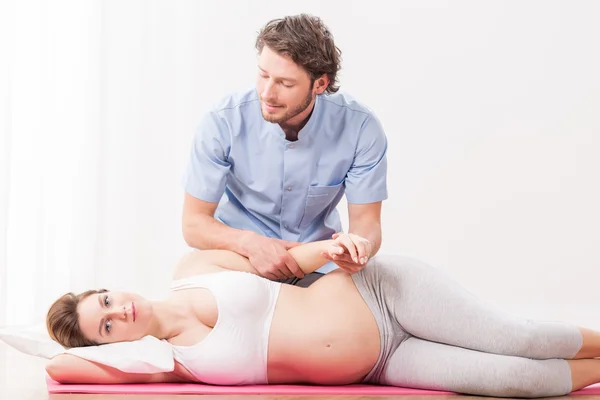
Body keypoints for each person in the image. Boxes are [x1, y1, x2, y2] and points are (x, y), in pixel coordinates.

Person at [46, 234, 600, 398]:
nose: (121, 310)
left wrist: (332, 249)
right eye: (109, 325)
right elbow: (65, 370)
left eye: (106, 300)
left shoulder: (192, 267)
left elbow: (285, 263)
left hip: (379, 292)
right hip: (384, 362)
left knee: (515, 337)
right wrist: (91, 348)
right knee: (518, 380)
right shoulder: (171, 365)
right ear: (111, 345)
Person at [180, 14, 388, 286]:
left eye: (285, 83)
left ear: (320, 84)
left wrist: (360, 247)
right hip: (236, 262)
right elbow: (193, 224)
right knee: (187, 272)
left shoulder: (361, 128)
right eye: (263, 75)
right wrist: (251, 244)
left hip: (317, 267)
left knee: (383, 292)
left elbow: (368, 224)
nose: (267, 93)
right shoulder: (223, 121)